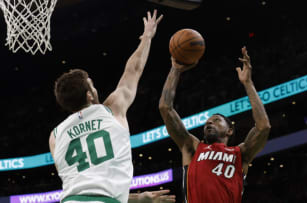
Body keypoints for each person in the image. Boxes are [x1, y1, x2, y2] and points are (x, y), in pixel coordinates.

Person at [49, 10, 174, 203]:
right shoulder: (111, 109)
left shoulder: (55, 136)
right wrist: (147, 37)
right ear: (90, 95)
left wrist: (138, 199)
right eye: (91, 84)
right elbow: (134, 69)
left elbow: (82, 186)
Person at [159, 47, 271, 202]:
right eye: (207, 122)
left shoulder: (240, 154)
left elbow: (263, 127)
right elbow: (165, 108)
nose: (209, 123)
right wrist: (175, 70)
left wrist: (248, 83)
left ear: (230, 130)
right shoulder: (192, 147)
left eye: (216, 120)